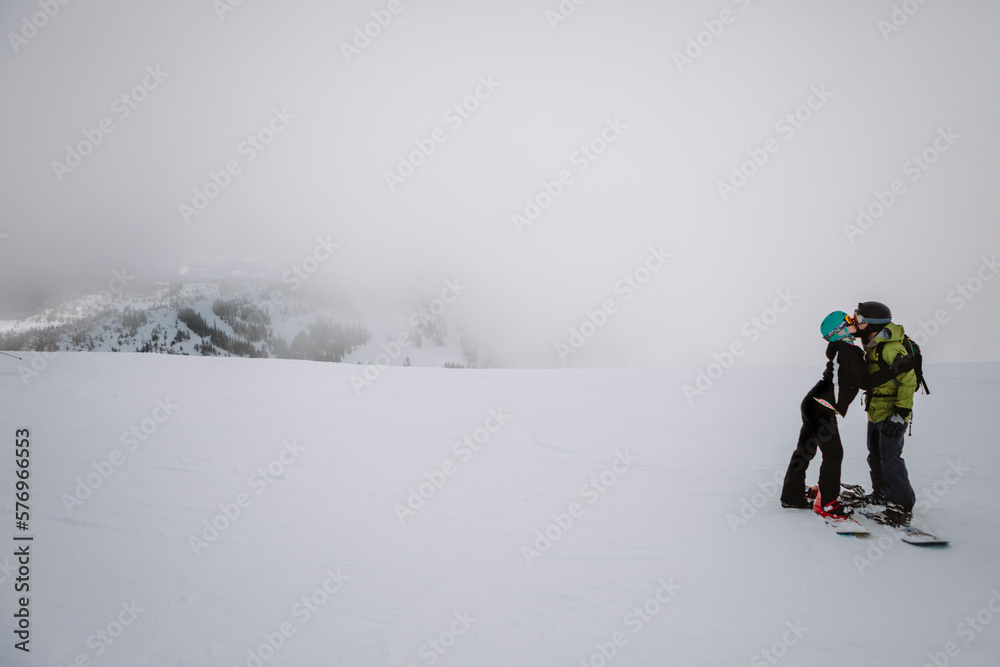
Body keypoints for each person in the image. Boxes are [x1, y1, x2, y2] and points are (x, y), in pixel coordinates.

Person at [780, 310, 913, 520]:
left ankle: (792, 496)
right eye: (849, 321)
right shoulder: (848, 350)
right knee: (834, 454)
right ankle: (828, 504)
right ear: (840, 330)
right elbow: (864, 382)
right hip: (822, 407)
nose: (855, 322)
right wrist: (894, 369)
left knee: (805, 450)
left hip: (813, 403)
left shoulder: (841, 348)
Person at [853, 301, 918, 527]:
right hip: (875, 411)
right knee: (875, 455)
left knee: (890, 457)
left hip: (892, 413)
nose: (857, 323)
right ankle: (881, 494)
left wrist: (901, 412)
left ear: (873, 323)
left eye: (860, 320)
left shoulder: (890, 348)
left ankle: (901, 506)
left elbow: (908, 381)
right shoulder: (873, 344)